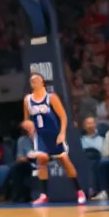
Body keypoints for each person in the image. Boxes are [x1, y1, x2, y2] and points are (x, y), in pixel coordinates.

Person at [24, 73, 86, 204]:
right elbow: (27, 120)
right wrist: (28, 125)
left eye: (36, 79)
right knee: (41, 159)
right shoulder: (27, 100)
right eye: (32, 80)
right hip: (40, 135)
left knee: (64, 160)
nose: (34, 81)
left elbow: (63, 116)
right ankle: (44, 194)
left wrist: (62, 133)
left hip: (54, 134)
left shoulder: (51, 97)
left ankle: (79, 191)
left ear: (43, 82)